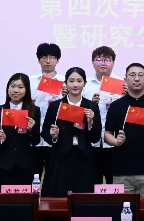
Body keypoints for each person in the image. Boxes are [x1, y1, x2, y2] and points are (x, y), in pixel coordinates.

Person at [105, 63, 144, 197]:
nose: (137, 79)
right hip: (122, 171)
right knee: (123, 208)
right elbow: (107, 134)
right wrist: (116, 142)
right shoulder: (116, 105)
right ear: (125, 79)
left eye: (141, 75)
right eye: (132, 75)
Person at [41, 67, 101, 196]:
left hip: (84, 158)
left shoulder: (91, 106)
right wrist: (53, 136)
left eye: (79, 81)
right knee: (59, 197)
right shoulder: (56, 106)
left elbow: (95, 138)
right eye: (71, 81)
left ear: (85, 83)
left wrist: (90, 123)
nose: (75, 85)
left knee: (83, 198)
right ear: (65, 83)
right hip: (61, 157)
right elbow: (45, 132)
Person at [0, 73, 41, 191]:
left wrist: (31, 130)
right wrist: (0, 139)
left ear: (26, 90)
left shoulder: (34, 110)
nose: (16, 90)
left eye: (20, 87)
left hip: (25, 165)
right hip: (4, 165)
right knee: (3, 200)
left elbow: (36, 141)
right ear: (8, 88)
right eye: (12, 86)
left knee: (24, 200)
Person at [82, 45, 124, 184]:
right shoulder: (86, 85)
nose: (103, 63)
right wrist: (91, 104)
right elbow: (79, 109)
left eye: (107, 59)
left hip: (114, 141)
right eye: (99, 59)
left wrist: (125, 97)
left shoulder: (121, 84)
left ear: (113, 62)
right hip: (92, 142)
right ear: (93, 62)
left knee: (115, 182)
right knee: (93, 182)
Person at [29, 43, 64, 177]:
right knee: (33, 176)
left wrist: (66, 96)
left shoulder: (65, 82)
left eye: (52, 57)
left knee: (54, 177)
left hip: (56, 136)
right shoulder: (30, 81)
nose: (48, 61)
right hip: (34, 135)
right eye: (44, 57)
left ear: (57, 60)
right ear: (39, 60)